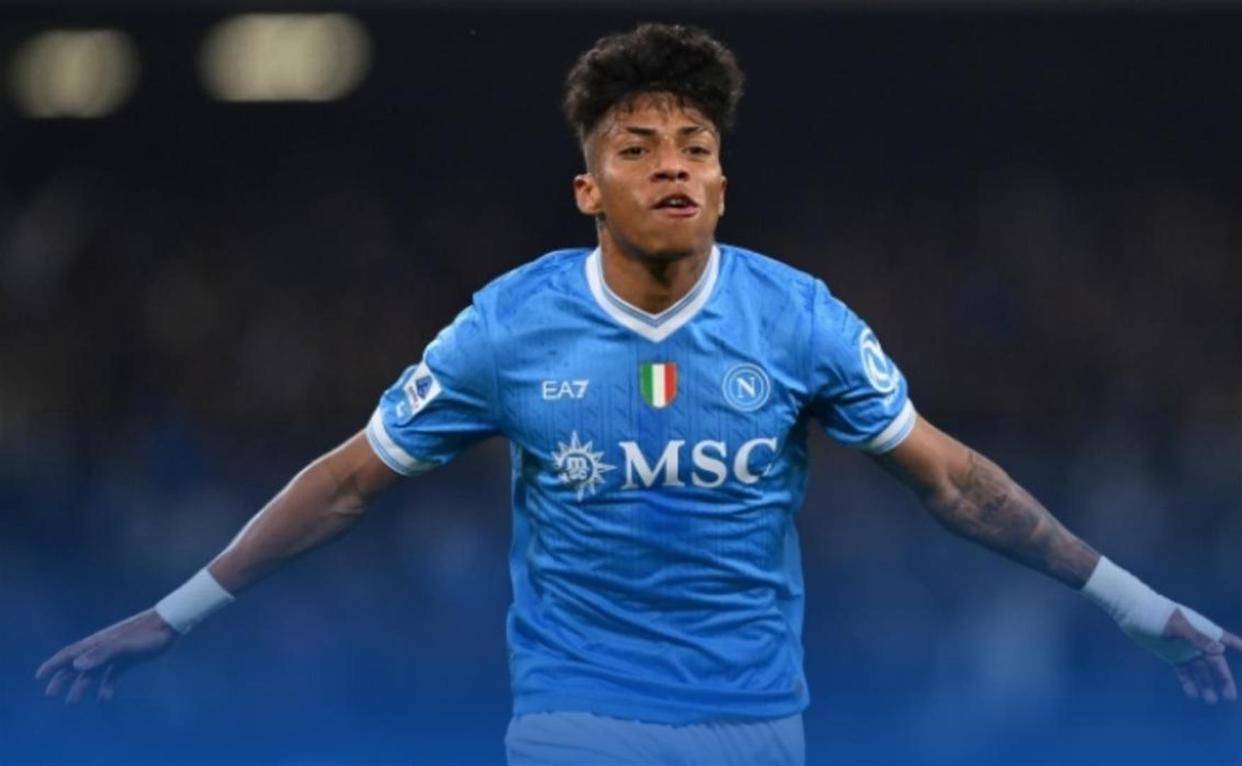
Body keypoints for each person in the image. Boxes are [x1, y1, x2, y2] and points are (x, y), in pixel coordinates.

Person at [36, 22, 1240, 766]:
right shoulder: (508, 324)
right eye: (637, 147)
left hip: (758, 726)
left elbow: (958, 486)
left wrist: (1135, 603)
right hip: (578, 723)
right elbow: (352, 481)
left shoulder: (798, 318)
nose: (673, 164)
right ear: (588, 190)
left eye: (696, 147)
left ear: (721, 184)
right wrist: (173, 614)